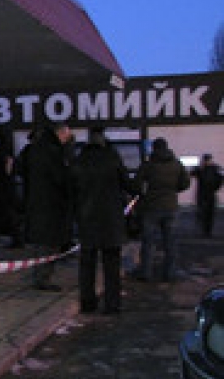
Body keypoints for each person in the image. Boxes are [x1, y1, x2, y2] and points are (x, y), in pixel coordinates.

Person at [70, 127, 132, 314]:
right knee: (111, 265)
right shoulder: (113, 158)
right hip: (111, 220)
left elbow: (71, 189)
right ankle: (112, 304)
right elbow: (127, 184)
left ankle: (87, 303)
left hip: (87, 219)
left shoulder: (80, 160)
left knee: (87, 265)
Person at [25, 122, 74, 291]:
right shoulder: (54, 151)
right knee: (49, 243)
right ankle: (43, 278)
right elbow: (61, 178)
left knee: (41, 243)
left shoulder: (37, 149)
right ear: (60, 133)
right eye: (67, 135)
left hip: (38, 202)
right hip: (51, 204)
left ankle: (40, 276)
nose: (68, 138)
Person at [133, 137, 190, 282]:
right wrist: (172, 191)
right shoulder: (176, 164)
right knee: (170, 243)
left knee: (148, 242)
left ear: (154, 148)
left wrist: (144, 195)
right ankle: (170, 273)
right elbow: (185, 183)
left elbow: (136, 184)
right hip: (171, 206)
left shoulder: (148, 165)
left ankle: (146, 272)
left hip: (151, 207)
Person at [0, 127, 23, 248]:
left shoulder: (2, 149)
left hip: (3, 187)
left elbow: (4, 169)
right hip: (5, 186)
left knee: (5, 213)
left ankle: (13, 238)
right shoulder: (6, 148)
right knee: (6, 213)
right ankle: (14, 238)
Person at [192, 153, 222, 237]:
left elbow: (220, 179)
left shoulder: (214, 168)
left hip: (209, 193)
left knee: (209, 213)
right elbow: (192, 173)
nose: (207, 162)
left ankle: (207, 231)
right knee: (203, 213)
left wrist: (216, 187)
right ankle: (204, 230)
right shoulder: (202, 168)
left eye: (207, 160)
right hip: (204, 194)